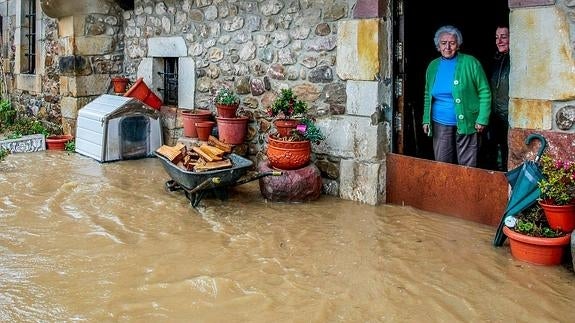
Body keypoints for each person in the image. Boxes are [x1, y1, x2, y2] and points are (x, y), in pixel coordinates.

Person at [422, 25, 491, 167]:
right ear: (438, 45)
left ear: (458, 45)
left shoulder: (471, 63)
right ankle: (446, 190)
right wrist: (426, 119)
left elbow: (484, 91)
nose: (447, 47)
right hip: (440, 123)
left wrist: (482, 119)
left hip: (469, 122)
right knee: (443, 165)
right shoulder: (432, 66)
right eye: (443, 43)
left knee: (468, 167)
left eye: (452, 43)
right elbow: (428, 95)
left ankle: (467, 190)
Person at [485, 25, 510, 171]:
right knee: (493, 150)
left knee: (508, 151)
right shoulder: (494, 59)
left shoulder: (516, 59)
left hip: (509, 115)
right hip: (494, 115)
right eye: (496, 37)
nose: (499, 41)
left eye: (504, 37)